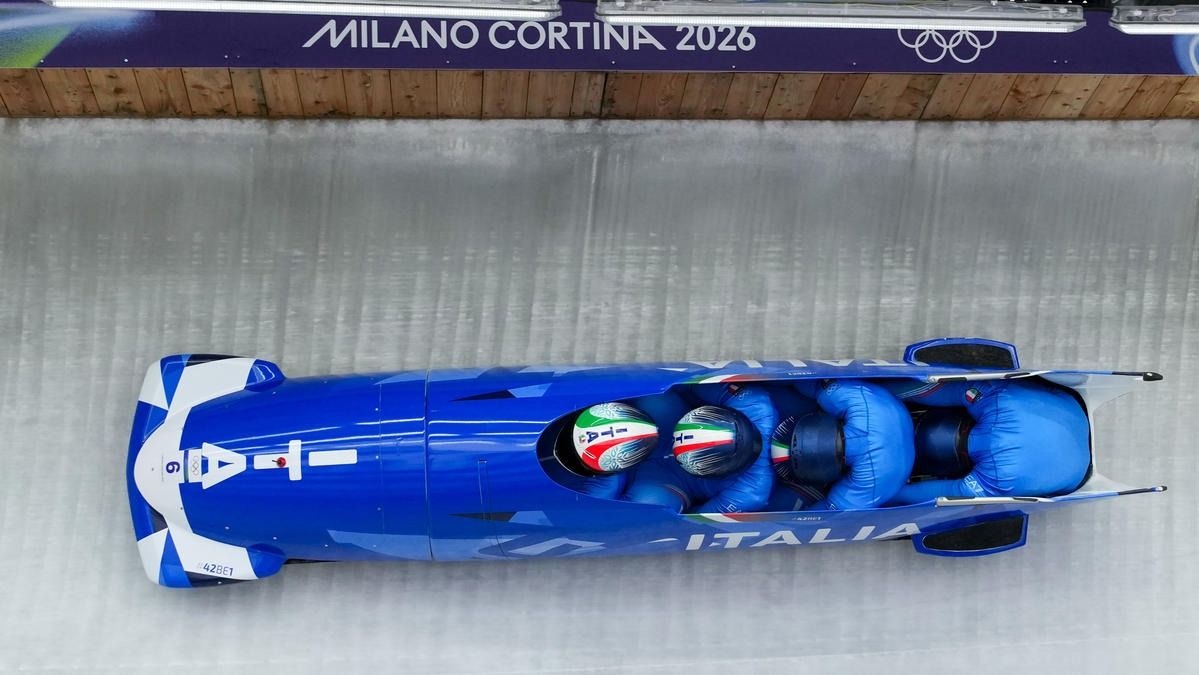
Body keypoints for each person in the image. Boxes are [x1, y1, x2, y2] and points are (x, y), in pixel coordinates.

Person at [884, 379, 1090, 504]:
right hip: (1069, 415)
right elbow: (943, 494)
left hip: (1072, 421)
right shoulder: (994, 399)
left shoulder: (996, 477)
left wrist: (884, 390)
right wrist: (887, 494)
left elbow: (951, 494)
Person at [624, 383, 778, 513]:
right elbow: (691, 385)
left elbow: (696, 520)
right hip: (669, 425)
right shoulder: (753, 402)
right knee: (652, 396)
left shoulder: (749, 494)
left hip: (675, 481)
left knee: (648, 505)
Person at [788, 379, 915, 510]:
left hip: (892, 474)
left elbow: (830, 511)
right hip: (888, 408)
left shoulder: (873, 484)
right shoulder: (855, 397)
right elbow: (831, 509)